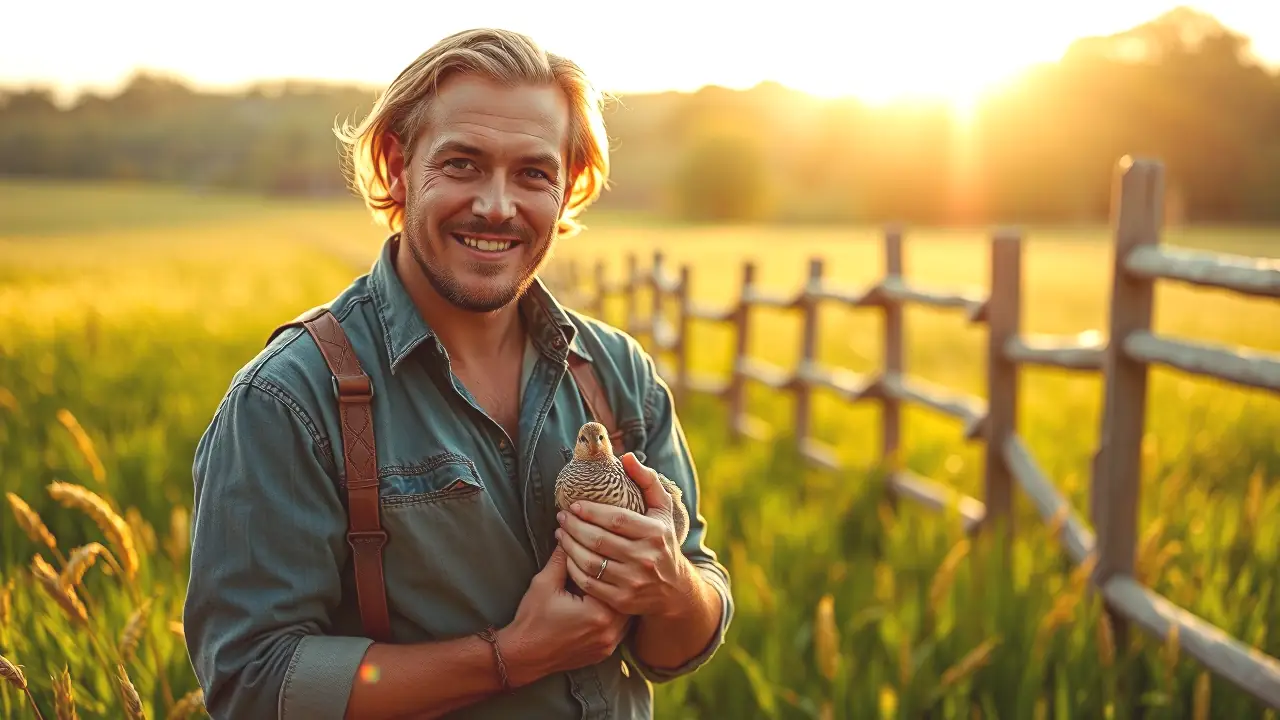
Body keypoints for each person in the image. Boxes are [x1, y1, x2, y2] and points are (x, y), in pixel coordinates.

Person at [183, 27, 733, 720]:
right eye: (464, 164)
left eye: (533, 173)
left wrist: (672, 587)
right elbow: (252, 683)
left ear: (569, 189)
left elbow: (681, 636)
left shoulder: (615, 371)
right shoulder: (288, 401)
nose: (497, 206)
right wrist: (510, 656)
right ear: (396, 164)